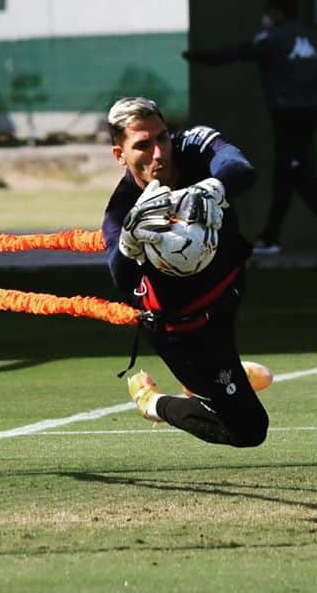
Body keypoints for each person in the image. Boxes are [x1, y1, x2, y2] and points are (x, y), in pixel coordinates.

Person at [101, 96, 268, 447]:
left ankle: (221, 380)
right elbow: (121, 279)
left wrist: (210, 187)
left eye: (162, 138)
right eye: (142, 146)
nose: (159, 153)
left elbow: (240, 168)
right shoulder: (122, 211)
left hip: (227, 290)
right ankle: (153, 403)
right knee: (248, 430)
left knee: (224, 381)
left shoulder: (191, 145)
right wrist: (128, 248)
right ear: (120, 155)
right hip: (184, 330)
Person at [183, 0, 317, 255]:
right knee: (286, 173)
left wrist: (197, 58)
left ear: (275, 11)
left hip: (287, 115)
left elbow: (238, 53)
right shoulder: (307, 38)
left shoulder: (273, 38)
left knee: (295, 172)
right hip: (309, 113)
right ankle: (270, 237)